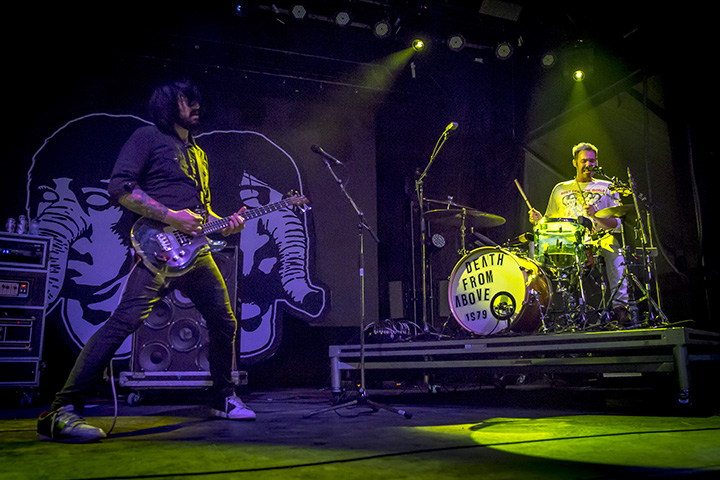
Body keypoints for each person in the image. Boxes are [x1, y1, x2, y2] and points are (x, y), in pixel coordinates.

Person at [37, 79, 255, 443]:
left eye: (196, 100)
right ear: (169, 106)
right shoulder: (147, 138)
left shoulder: (198, 153)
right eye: (187, 101)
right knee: (124, 321)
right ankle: (62, 409)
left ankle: (222, 398)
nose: (195, 106)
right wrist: (171, 217)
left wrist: (225, 225)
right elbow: (120, 188)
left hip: (196, 251)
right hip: (158, 248)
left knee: (224, 321)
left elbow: (200, 214)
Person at [529, 142, 629, 324]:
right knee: (538, 251)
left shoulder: (608, 187)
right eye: (584, 161)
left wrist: (596, 217)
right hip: (570, 240)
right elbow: (550, 223)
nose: (588, 165)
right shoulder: (560, 189)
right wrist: (539, 220)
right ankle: (544, 310)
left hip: (601, 238)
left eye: (591, 161)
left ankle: (620, 307)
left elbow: (616, 223)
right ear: (574, 162)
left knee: (615, 251)